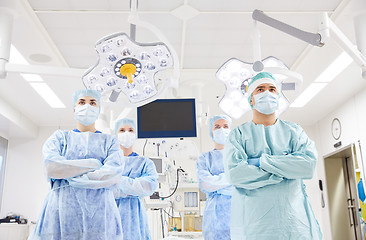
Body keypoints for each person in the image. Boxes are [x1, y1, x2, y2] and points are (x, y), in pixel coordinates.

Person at [224, 72, 322, 240]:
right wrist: (286, 170)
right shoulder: (238, 135)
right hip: (256, 229)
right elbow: (235, 174)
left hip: (295, 227)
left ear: (278, 96)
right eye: (260, 89)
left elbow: (308, 165)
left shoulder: (294, 132)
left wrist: (260, 162)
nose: (267, 93)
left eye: (272, 89)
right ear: (251, 99)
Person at [28, 89, 124, 240]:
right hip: (61, 213)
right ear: (74, 109)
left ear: (98, 110)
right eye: (82, 102)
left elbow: (113, 173)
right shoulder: (59, 138)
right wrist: (94, 164)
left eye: (92, 102)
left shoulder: (110, 142)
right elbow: (52, 166)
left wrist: (70, 174)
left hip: (100, 216)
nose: (87, 105)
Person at [113, 118, 158, 240]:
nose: (126, 133)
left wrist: (118, 181)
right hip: (111, 214)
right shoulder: (109, 162)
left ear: (135, 135)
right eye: (122, 130)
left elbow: (149, 186)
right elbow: (104, 187)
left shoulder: (145, 163)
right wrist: (133, 187)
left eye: (130, 130)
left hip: (135, 218)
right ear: (115, 135)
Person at [196, 114, 233, 240]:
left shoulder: (238, 156)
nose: (221, 129)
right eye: (217, 127)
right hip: (214, 218)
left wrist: (217, 186)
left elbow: (244, 181)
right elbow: (205, 184)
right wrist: (232, 179)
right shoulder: (204, 158)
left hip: (238, 213)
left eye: (225, 126)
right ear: (211, 132)